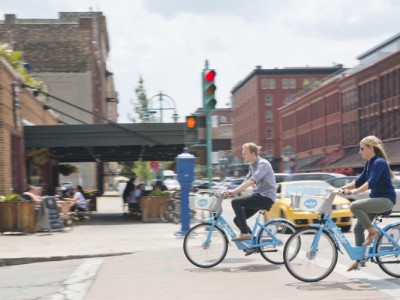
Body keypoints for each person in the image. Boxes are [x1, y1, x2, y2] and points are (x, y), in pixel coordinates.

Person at [340, 136, 395, 271]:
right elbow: (359, 181)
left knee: (354, 205)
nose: (360, 152)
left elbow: (370, 182)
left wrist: (355, 192)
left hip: (386, 200)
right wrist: (342, 189)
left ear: (371, 148)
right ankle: (360, 260)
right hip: (377, 200)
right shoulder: (370, 163)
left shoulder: (379, 163)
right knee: (358, 228)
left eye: (362, 148)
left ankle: (372, 232)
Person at [226, 143, 276, 241]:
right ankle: (253, 242)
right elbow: (246, 182)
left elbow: (252, 181)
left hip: (266, 197)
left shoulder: (263, 164)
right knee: (237, 220)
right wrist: (230, 192)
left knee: (235, 202)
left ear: (252, 154)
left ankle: (245, 233)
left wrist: (233, 192)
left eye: (245, 153)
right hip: (259, 196)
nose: (242, 155)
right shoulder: (252, 166)